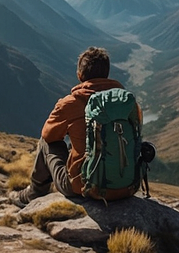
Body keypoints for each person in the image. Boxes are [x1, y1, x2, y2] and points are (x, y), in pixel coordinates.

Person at [9, 46, 137, 208]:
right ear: (107, 74)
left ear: (79, 75)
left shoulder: (70, 103)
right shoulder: (125, 102)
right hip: (127, 187)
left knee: (46, 142)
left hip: (84, 188)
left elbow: (49, 136)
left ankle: (33, 194)